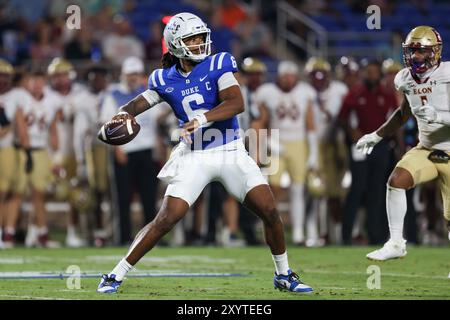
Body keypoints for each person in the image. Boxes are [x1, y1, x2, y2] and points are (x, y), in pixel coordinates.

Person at [97, 12, 312, 294]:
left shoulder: (218, 63)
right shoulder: (163, 78)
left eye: (201, 37)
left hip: (230, 150)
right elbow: (137, 105)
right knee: (166, 219)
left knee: (270, 210)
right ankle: (115, 275)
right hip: (195, 155)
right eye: (191, 39)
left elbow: (236, 103)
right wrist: (118, 118)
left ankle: (284, 274)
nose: (199, 43)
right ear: (175, 44)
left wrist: (203, 118)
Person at [358, 26, 450, 260]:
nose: (416, 57)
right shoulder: (405, 78)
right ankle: (397, 243)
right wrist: (376, 135)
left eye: (421, 51)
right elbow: (403, 113)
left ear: (435, 52)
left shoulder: (447, 75)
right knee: (397, 180)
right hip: (427, 149)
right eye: (412, 51)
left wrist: (440, 117)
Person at [255, 60, 319, 246]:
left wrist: (313, 151)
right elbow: (261, 122)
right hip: (277, 141)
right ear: (279, 77)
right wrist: (268, 142)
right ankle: (272, 229)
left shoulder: (305, 92)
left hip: (299, 143)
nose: (288, 80)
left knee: (298, 189)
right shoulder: (268, 92)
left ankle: (299, 233)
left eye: (291, 76)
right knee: (273, 188)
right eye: (285, 76)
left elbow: (310, 123)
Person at [100, 56, 161, 246]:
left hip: (147, 149)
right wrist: (117, 149)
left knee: (149, 196)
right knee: (122, 196)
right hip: (125, 150)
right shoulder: (113, 94)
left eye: (136, 73)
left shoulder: (148, 94)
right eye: (131, 74)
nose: (134, 77)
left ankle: (150, 238)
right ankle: (123, 237)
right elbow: (107, 124)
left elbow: (158, 120)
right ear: (124, 74)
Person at [338, 60, 398, 245]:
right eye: (369, 72)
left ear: (379, 74)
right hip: (361, 145)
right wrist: (351, 132)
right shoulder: (355, 93)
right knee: (357, 189)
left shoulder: (387, 94)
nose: (371, 75)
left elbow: (396, 119)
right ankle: (346, 235)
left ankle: (375, 235)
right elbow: (343, 117)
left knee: (377, 190)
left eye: (374, 72)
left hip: (380, 145)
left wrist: (396, 144)